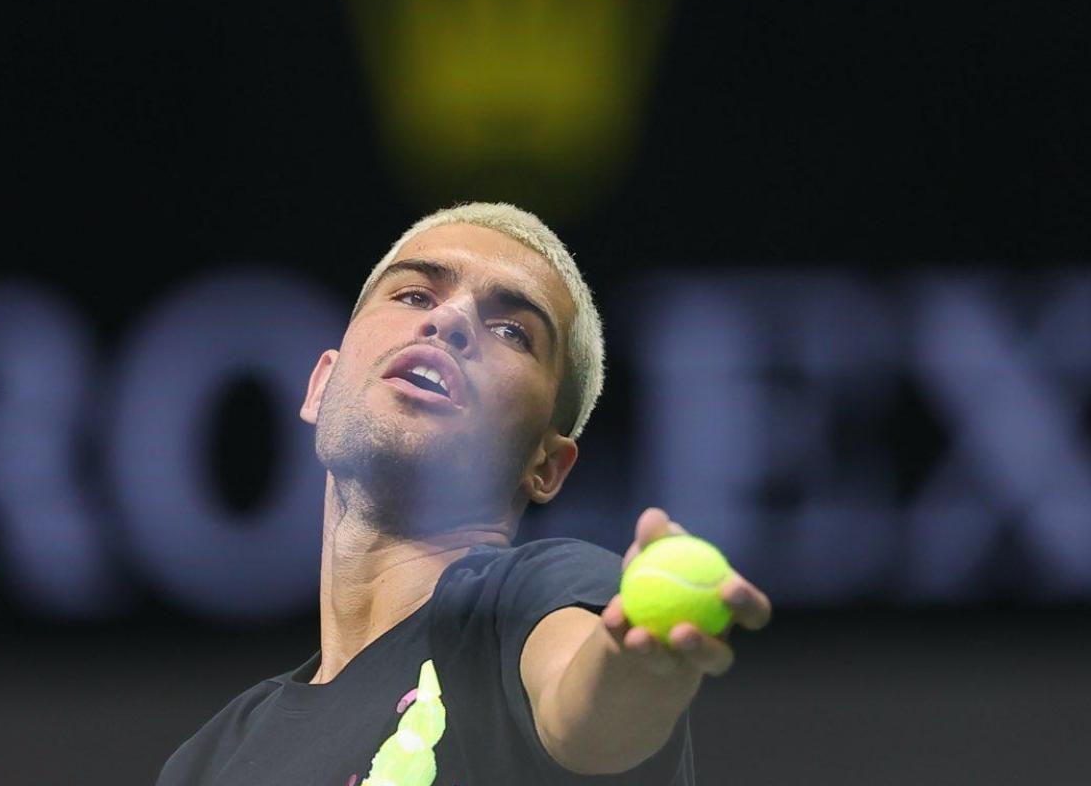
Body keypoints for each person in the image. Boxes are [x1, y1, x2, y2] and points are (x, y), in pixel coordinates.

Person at [157, 202, 772, 786]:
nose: (449, 320)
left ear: (546, 465)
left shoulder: (527, 602)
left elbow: (585, 711)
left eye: (511, 331)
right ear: (321, 385)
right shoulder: (207, 763)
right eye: (414, 295)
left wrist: (634, 669)